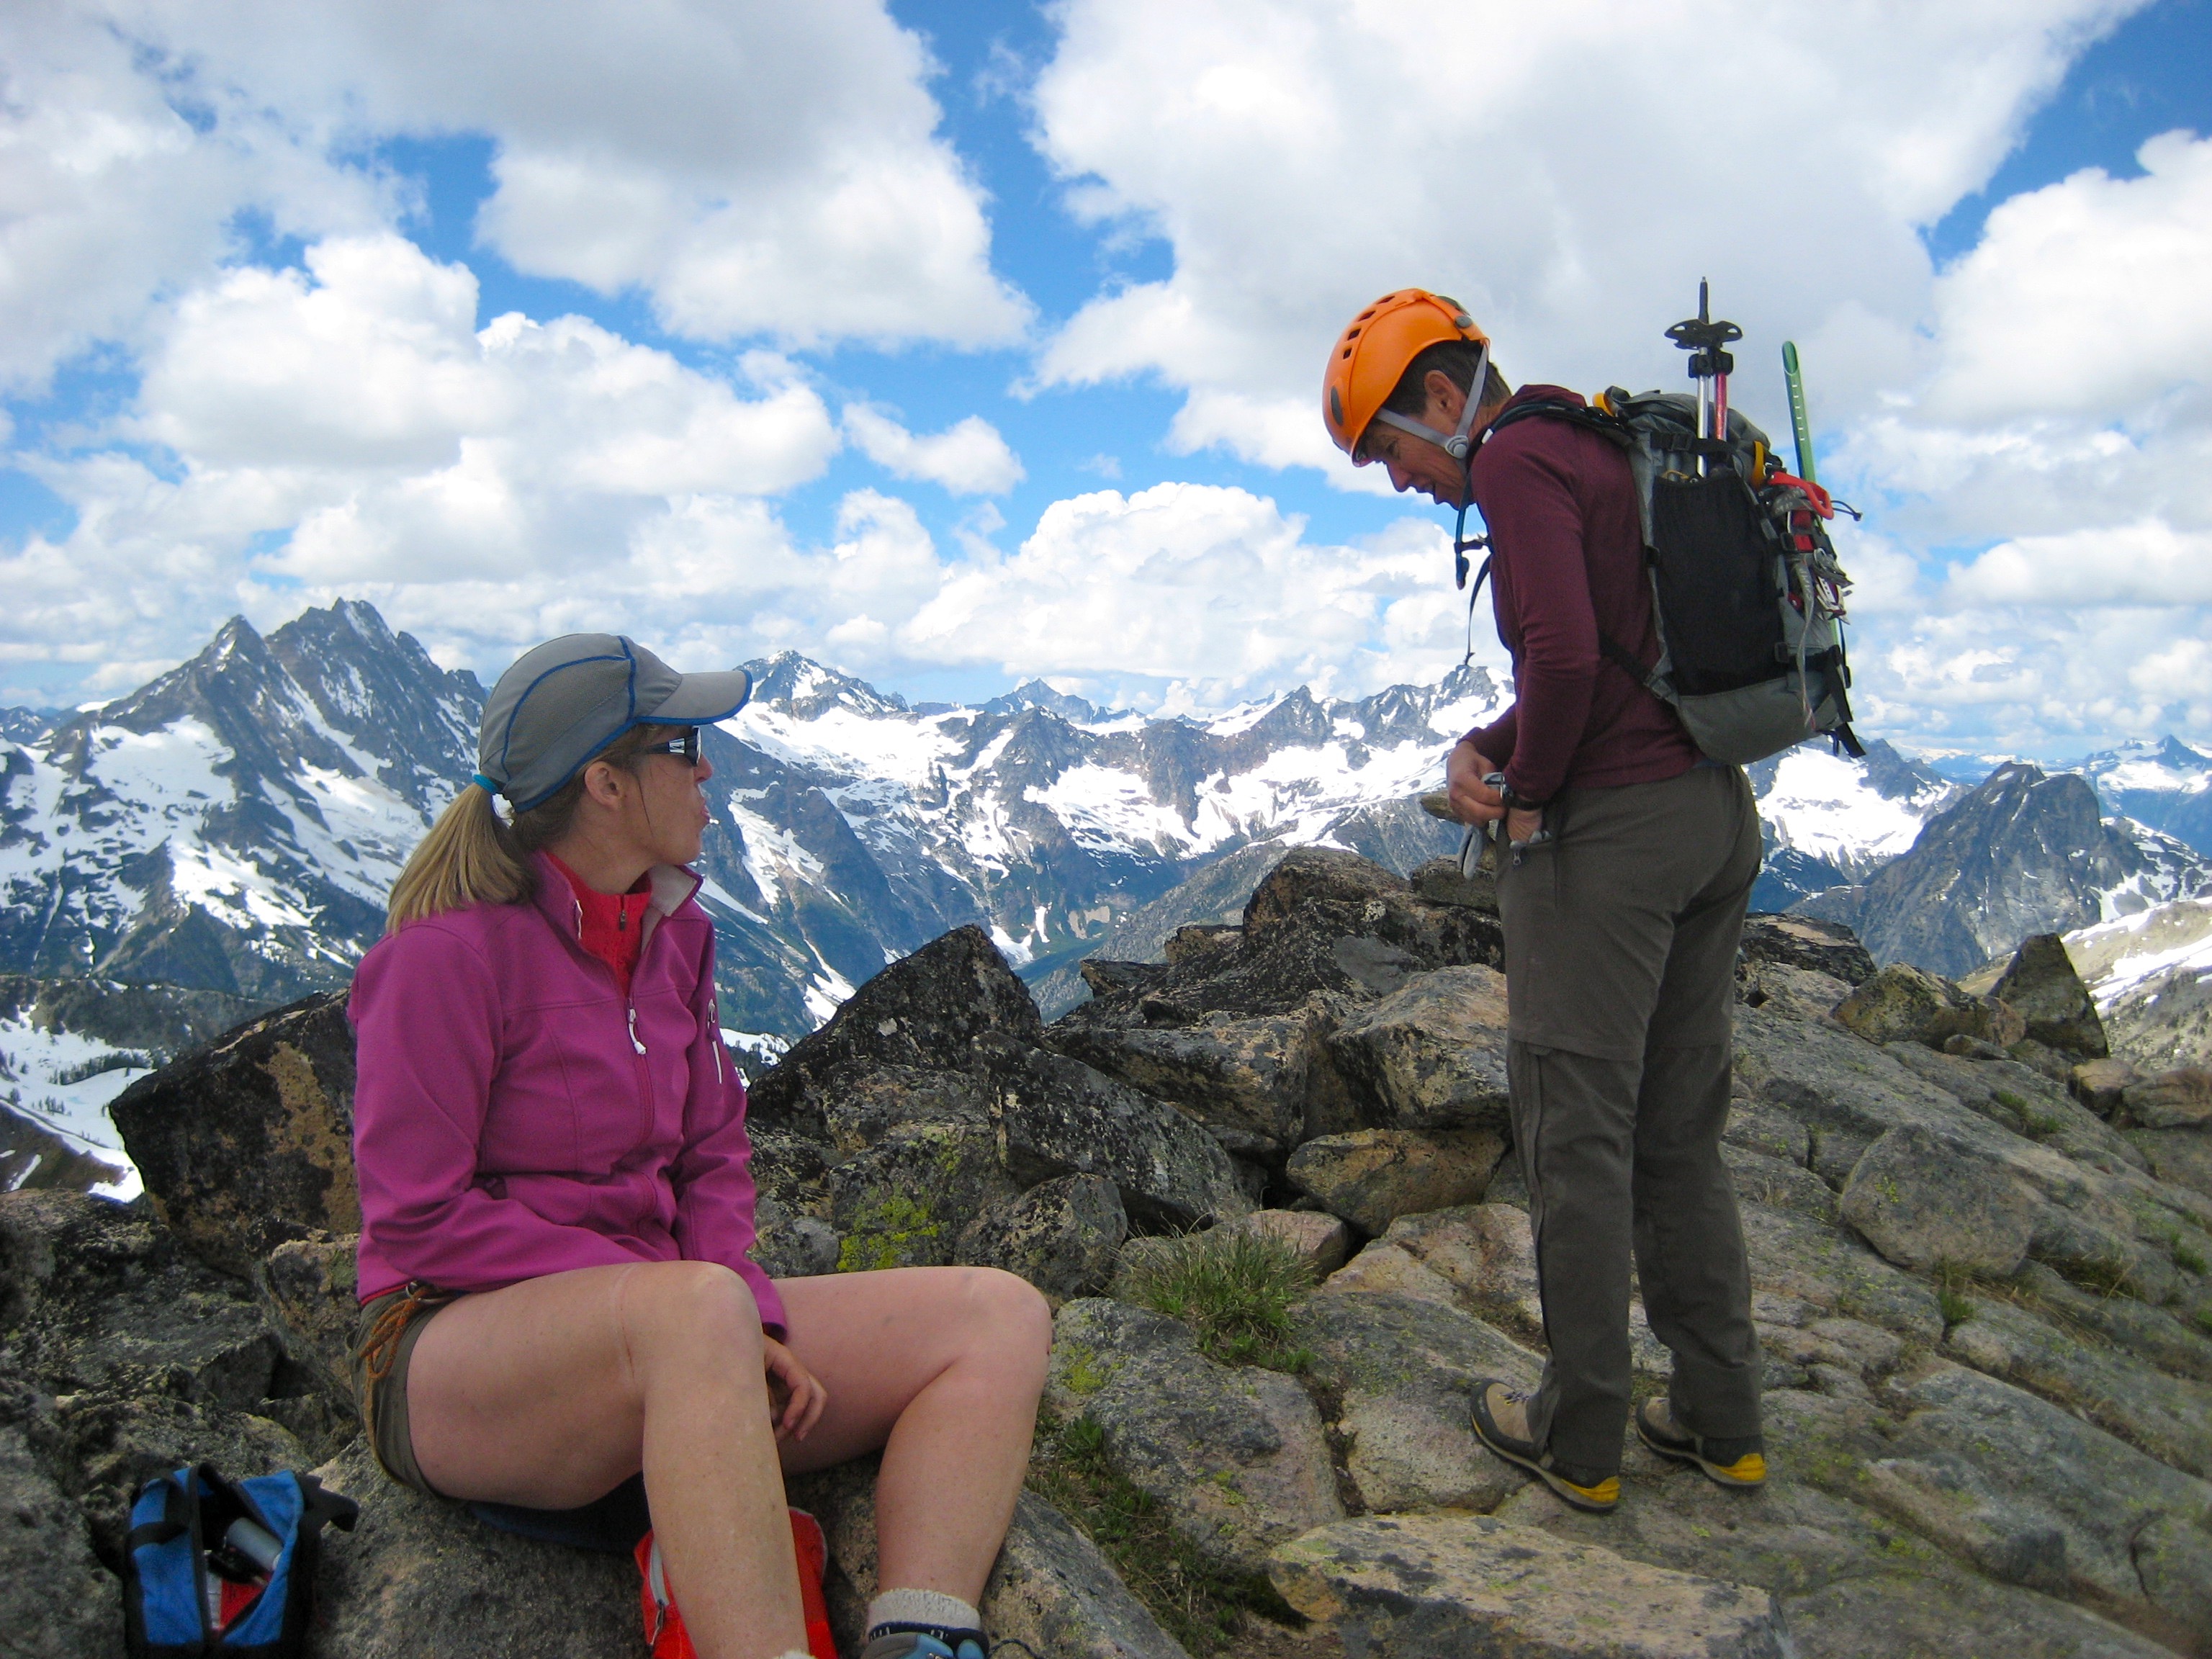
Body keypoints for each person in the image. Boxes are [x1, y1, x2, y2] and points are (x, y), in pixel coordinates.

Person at [346, 634, 1052, 1659]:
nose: (708, 768)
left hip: (676, 1332)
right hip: (454, 1358)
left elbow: (712, 1153)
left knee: (998, 1312)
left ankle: (924, 1635)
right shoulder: (444, 959)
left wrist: (748, 1317)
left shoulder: (676, 935)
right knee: (693, 1311)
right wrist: (690, 1307)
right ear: (605, 785)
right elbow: (416, 1215)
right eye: (682, 745)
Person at [1322, 292, 1766, 1514]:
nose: (1398, 482)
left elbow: (1567, 657)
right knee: (1678, 1128)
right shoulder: (1590, 444)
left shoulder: (1513, 459)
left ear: (1441, 399)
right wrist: (1491, 737)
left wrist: (1522, 793)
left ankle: (1580, 1436)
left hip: (1614, 842)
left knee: (1577, 1139)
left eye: (1388, 451)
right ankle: (1722, 1418)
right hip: (1713, 814)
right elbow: (1622, 655)